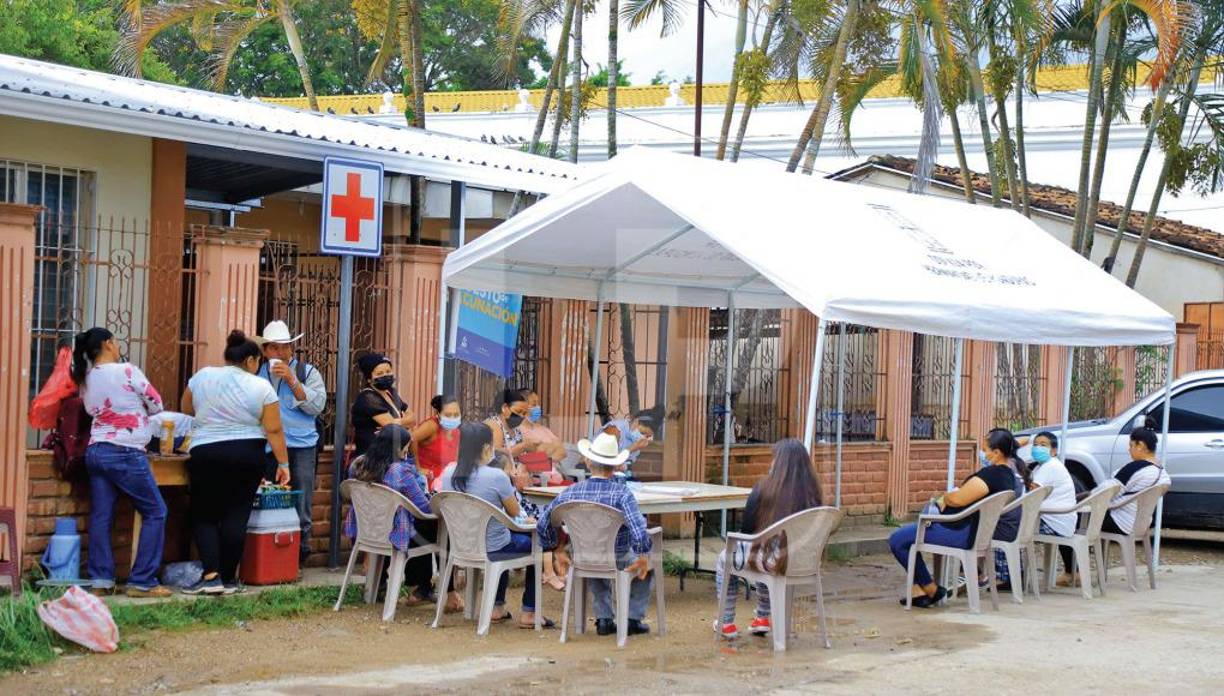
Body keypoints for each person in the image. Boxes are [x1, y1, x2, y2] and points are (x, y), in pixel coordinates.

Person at [181, 330, 290, 595]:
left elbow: (186, 409)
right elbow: (274, 430)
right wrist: (283, 465)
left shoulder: (202, 377)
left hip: (206, 452)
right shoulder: (261, 386)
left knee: (204, 514)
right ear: (252, 360)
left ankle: (211, 576)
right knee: (237, 515)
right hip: (247, 454)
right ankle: (229, 579)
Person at [72, 327, 172, 598]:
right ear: (108, 344)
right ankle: (142, 581)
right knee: (156, 511)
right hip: (125, 451)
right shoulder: (127, 370)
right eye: (115, 342)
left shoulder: (86, 377)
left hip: (96, 451)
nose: (117, 346)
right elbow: (156, 402)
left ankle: (101, 580)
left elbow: (91, 410)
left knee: (102, 516)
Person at [536, 432, 654, 638]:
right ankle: (632, 619)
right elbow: (638, 529)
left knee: (594, 558)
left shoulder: (570, 492)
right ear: (615, 466)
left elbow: (543, 523)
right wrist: (643, 555)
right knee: (647, 567)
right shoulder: (622, 493)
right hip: (618, 556)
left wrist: (556, 549)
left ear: (589, 463)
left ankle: (604, 619)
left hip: (583, 556)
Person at [888, 428, 1019, 608]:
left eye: (985, 450)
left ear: (997, 453)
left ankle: (931, 589)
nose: (983, 453)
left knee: (898, 540)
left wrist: (946, 497)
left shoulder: (994, 474)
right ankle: (920, 590)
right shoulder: (1007, 476)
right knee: (908, 536)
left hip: (959, 532)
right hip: (972, 531)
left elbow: (959, 499)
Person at [441, 422, 551, 629]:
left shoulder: (448, 472)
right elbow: (515, 512)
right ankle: (529, 612)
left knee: (502, 534)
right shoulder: (496, 476)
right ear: (485, 448)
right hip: (493, 547)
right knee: (537, 544)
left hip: (461, 545)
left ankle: (497, 607)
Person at [345, 424, 462, 610]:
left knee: (419, 525)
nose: (408, 452)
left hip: (369, 531)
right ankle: (448, 594)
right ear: (399, 448)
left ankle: (418, 588)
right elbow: (424, 507)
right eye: (406, 448)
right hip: (396, 535)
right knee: (442, 530)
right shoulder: (400, 471)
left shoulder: (357, 465)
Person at [714, 439, 823, 639]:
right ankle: (762, 619)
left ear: (780, 464)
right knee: (766, 551)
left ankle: (726, 621)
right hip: (803, 563)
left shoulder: (763, 488)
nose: (771, 464)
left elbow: (747, 531)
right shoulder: (815, 495)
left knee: (727, 558)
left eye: (774, 459)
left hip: (773, 561)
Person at [256, 320, 327, 565]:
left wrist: (292, 381)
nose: (281, 353)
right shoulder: (257, 374)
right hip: (267, 448)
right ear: (265, 351)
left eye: (285, 347)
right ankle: (271, 559)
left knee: (301, 504)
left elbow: (317, 406)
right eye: (275, 348)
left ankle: (298, 558)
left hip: (302, 448)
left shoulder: (308, 372)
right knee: (269, 500)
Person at [496, 452, 566, 592]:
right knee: (538, 539)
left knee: (540, 531)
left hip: (501, 534)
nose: (513, 472)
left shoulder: (503, 487)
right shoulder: (505, 487)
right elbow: (513, 513)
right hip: (508, 534)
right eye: (510, 469)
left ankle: (551, 570)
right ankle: (548, 573)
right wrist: (526, 520)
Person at [1026, 432, 1079, 587]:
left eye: (1043, 445)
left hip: (1054, 522)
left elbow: (1031, 496)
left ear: (1054, 451)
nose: (1037, 448)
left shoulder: (1049, 467)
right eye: (1035, 445)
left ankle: (1010, 576)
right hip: (1059, 520)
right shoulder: (1042, 467)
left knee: (1013, 529)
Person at [1104, 427, 1171, 536]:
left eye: (1131, 445)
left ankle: (1080, 552)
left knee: (1077, 518)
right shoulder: (1162, 474)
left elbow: (1107, 492)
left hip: (1121, 522)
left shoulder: (1135, 468)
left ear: (1140, 445)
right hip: (1141, 524)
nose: (1129, 449)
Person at [351, 353, 414, 458]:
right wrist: (403, 422)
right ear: (369, 379)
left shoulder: (391, 392)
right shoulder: (368, 398)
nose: (386, 375)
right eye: (380, 373)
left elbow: (412, 418)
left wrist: (397, 422)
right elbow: (392, 428)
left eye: (388, 371)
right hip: (373, 458)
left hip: (393, 455)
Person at [412, 394, 461, 488]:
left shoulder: (456, 431)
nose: (452, 418)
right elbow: (412, 438)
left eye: (456, 414)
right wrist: (417, 468)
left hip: (445, 484)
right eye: (448, 414)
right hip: (426, 485)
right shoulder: (432, 426)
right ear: (438, 414)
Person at [601, 407, 661, 477]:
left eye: (647, 436)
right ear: (636, 421)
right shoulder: (615, 429)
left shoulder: (636, 442)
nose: (643, 438)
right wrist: (633, 447)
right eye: (643, 433)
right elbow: (607, 460)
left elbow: (626, 464)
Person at [484, 389, 537, 462]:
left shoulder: (516, 429)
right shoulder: (494, 425)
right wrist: (522, 447)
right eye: (519, 411)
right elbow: (495, 456)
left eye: (524, 413)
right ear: (504, 408)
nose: (522, 416)